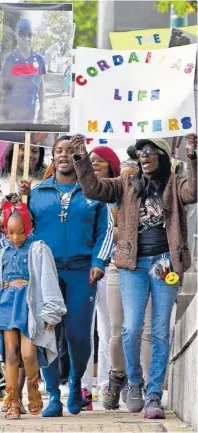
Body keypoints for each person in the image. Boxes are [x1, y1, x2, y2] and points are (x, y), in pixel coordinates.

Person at [72, 134, 197, 419]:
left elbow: (194, 192)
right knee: (130, 328)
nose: (144, 156)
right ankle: (134, 383)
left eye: (150, 151)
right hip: (132, 264)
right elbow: (93, 189)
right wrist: (81, 157)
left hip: (165, 264)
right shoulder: (126, 183)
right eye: (140, 152)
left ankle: (154, 394)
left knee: (160, 330)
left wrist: (192, 156)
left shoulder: (175, 184)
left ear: (163, 156)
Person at [19, 135, 113, 417]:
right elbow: (21, 230)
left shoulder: (94, 191)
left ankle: (75, 384)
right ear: (52, 157)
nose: (63, 155)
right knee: (48, 333)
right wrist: (19, 203)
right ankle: (53, 397)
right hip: (46, 272)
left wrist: (99, 261)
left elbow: (105, 230)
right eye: (58, 151)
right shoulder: (36, 192)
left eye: (70, 151)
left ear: (78, 157)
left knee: (78, 334)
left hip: (83, 271)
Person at [0, 198, 66, 420]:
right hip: (6, 303)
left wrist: (52, 310)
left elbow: (48, 279)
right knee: (11, 353)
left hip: (29, 305)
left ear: (28, 228)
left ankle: (33, 387)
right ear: (5, 230)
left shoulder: (38, 249)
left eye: (20, 232)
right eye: (10, 232)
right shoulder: (1, 252)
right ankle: (12, 400)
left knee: (29, 354)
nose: (15, 237)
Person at [102, 149, 152, 411]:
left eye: (132, 178)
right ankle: (117, 375)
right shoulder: (111, 202)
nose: (127, 183)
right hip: (116, 266)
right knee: (118, 328)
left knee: (145, 330)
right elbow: (113, 231)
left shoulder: (151, 199)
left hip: (147, 266)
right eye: (123, 178)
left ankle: (141, 383)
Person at [80, 146, 121, 410]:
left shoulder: (117, 195)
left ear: (110, 167)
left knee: (108, 329)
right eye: (90, 161)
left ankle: (107, 382)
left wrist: (105, 233)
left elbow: (122, 231)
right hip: (83, 267)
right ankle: (82, 387)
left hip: (111, 268)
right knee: (83, 329)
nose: (94, 164)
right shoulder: (80, 194)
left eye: (100, 162)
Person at [0, 18, 46, 125]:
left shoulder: (39, 59)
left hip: (29, 112)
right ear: (16, 35)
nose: (26, 38)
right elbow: (4, 87)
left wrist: (42, 109)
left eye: (29, 35)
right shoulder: (10, 60)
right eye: (22, 34)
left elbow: (41, 85)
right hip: (11, 112)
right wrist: (1, 113)